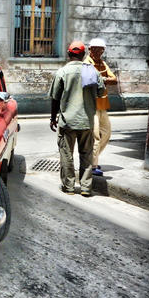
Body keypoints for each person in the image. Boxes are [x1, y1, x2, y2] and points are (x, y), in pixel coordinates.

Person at [48, 41, 104, 196]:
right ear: (83, 54)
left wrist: (53, 118)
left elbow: (55, 98)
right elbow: (101, 92)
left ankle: (69, 187)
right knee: (86, 155)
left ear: (68, 54)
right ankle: (86, 188)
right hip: (87, 122)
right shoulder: (92, 71)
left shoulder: (62, 72)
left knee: (66, 155)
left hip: (67, 122)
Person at [84, 38, 118, 176]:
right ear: (90, 49)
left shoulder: (102, 63)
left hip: (102, 105)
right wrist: (103, 79)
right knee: (95, 136)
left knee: (107, 133)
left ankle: (92, 159)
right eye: (95, 49)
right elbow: (90, 81)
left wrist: (101, 79)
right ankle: (92, 166)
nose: (98, 51)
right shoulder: (87, 63)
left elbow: (114, 79)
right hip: (91, 106)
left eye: (101, 49)